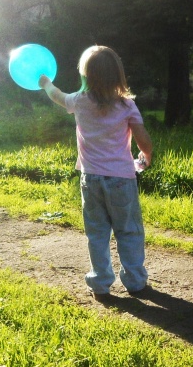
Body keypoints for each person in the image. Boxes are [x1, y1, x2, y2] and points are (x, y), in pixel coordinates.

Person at [38, 45, 153, 299]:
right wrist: (146, 156)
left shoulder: (79, 102)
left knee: (97, 232)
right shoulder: (126, 106)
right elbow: (142, 138)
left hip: (91, 180)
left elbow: (57, 96)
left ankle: (100, 282)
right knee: (129, 230)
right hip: (122, 180)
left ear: (85, 75)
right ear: (118, 75)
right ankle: (135, 281)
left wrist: (46, 83)